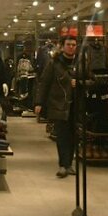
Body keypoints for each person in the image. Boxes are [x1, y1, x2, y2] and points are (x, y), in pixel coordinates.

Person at [35, 33, 78, 178]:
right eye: (68, 44)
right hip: (58, 103)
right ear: (62, 46)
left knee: (73, 135)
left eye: (73, 45)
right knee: (62, 135)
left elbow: (92, 79)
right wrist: (39, 102)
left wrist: (80, 83)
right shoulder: (54, 63)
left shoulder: (80, 62)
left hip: (76, 105)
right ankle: (63, 165)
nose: (71, 47)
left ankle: (69, 164)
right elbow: (44, 83)